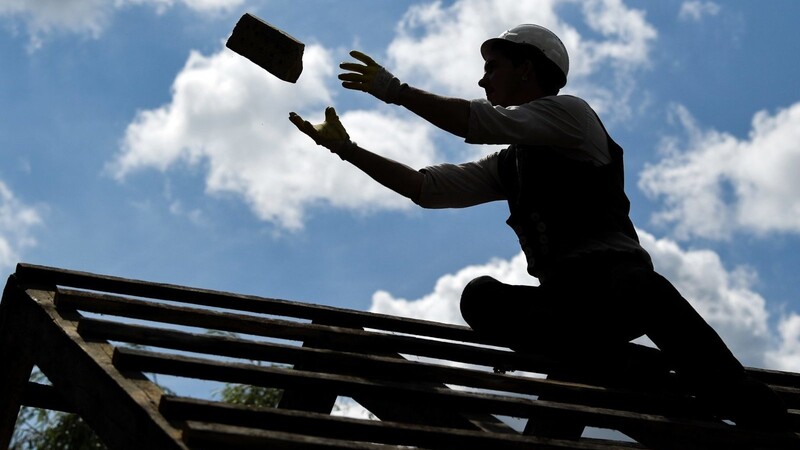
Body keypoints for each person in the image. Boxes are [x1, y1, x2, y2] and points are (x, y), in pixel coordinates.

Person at [288, 24, 789, 433]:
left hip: (624, 291)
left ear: (527, 68)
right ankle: (628, 366)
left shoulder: (571, 117)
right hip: (571, 309)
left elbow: (475, 122)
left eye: (493, 68)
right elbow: (427, 188)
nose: (484, 81)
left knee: (723, 380)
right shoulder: (513, 164)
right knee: (482, 298)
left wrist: (395, 91)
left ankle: (771, 429)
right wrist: (347, 151)